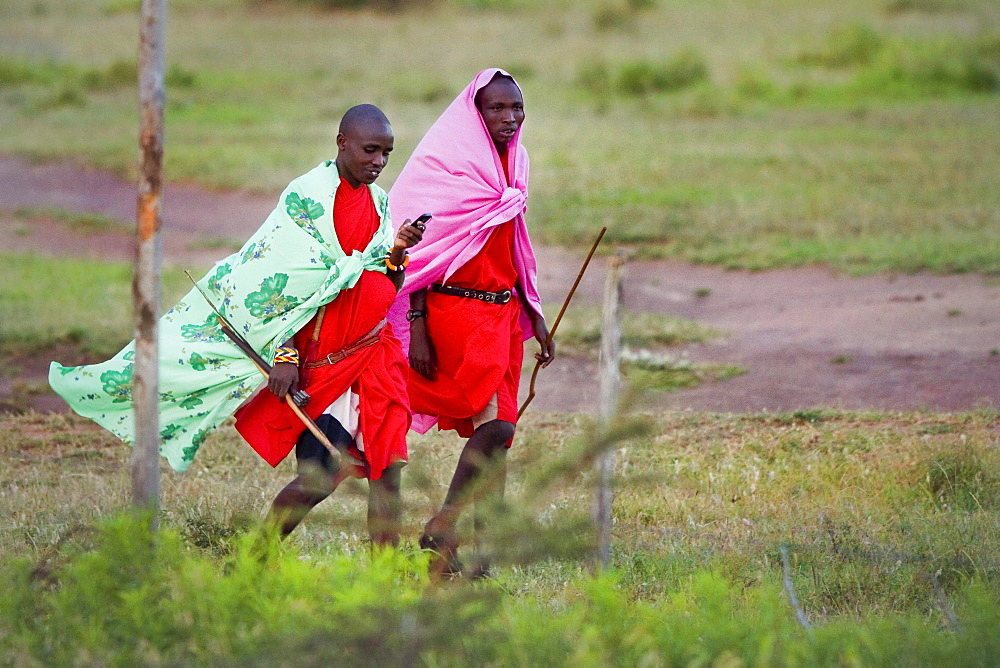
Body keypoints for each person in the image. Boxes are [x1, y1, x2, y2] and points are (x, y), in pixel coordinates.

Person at [50, 104, 425, 547]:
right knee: (319, 477)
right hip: (325, 363)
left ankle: (385, 580)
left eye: (386, 153)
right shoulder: (306, 198)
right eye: (370, 150)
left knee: (389, 471)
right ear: (342, 143)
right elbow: (271, 288)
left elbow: (388, 278)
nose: (379, 162)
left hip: (373, 355)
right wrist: (284, 354)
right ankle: (255, 555)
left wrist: (399, 248)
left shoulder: (380, 205)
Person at [386, 69, 554, 578]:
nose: (509, 118)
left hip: (503, 314)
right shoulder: (445, 167)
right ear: (474, 115)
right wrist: (416, 325)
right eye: (496, 109)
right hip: (456, 312)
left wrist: (536, 316)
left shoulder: (515, 162)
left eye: (516, 108)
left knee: (498, 439)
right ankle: (446, 523)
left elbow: (514, 248)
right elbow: (416, 256)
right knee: (496, 426)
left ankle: (475, 556)